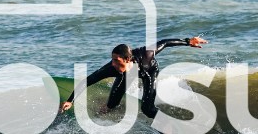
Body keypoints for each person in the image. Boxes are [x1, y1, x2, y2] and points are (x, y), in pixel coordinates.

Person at [59, 37, 208, 120]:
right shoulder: (112, 68)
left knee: (147, 109)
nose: (113, 63)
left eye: (116, 60)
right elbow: (88, 80)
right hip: (126, 75)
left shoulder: (147, 55)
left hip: (149, 71)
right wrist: (70, 100)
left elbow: (165, 43)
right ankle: (104, 111)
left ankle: (167, 124)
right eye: (112, 59)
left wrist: (188, 41)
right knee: (111, 104)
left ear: (127, 59)